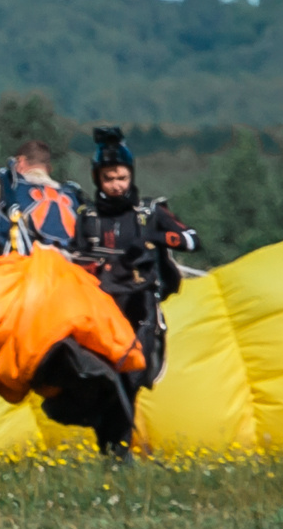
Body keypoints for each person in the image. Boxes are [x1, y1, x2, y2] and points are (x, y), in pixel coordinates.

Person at [75, 124, 198, 391]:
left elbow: (191, 239)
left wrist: (155, 238)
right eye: (109, 179)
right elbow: (75, 256)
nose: (116, 185)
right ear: (98, 180)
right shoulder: (88, 217)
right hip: (100, 306)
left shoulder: (150, 212)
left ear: (131, 175)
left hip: (140, 305)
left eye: (122, 177)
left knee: (134, 371)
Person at [0, 139, 83, 259]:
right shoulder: (71, 195)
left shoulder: (7, 186)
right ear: (48, 168)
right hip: (65, 271)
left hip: (17, 272)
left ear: (20, 161)